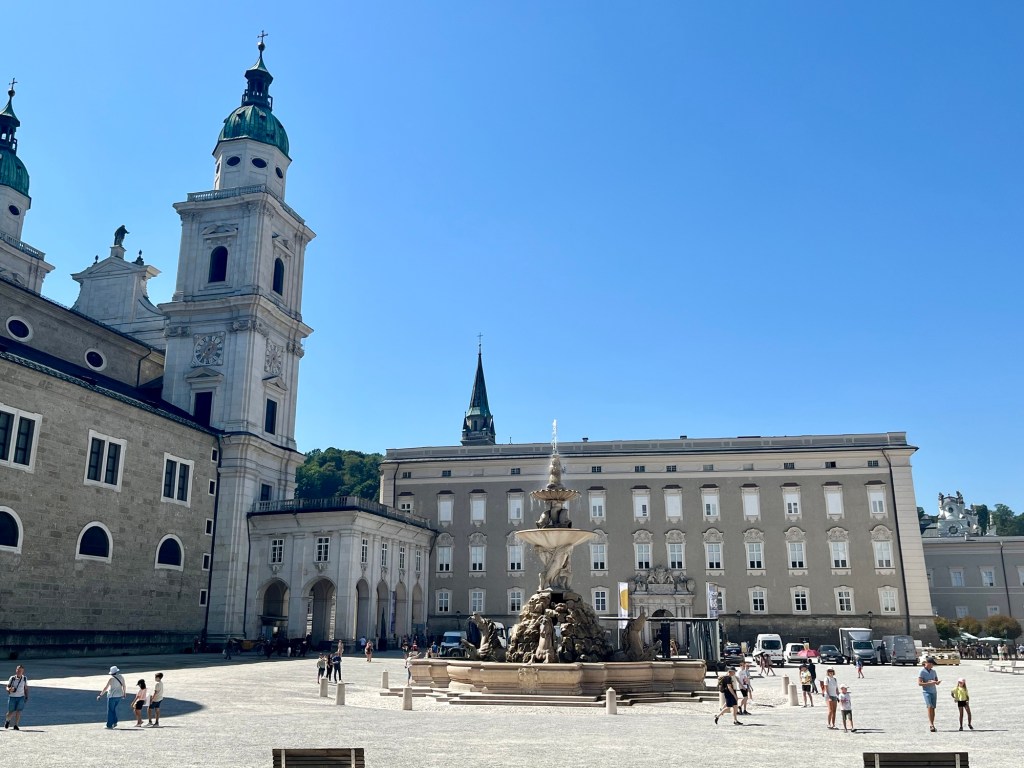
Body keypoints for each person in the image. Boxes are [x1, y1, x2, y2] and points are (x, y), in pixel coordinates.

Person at [918, 656, 942, 732]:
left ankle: (933, 724)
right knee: (929, 706)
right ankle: (931, 725)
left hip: (934, 691)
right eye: (932, 664)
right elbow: (919, 683)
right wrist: (928, 683)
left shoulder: (933, 671)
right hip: (926, 692)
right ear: (928, 663)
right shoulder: (922, 671)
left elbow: (936, 680)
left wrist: (937, 682)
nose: (932, 666)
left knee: (933, 708)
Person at [4, 664, 28, 730]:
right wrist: (8, 689)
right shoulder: (12, 678)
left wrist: (26, 696)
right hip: (12, 697)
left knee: (18, 711)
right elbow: (7, 686)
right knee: (10, 712)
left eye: (21, 670)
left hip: (21, 697)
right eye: (18, 670)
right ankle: (7, 721)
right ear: (16, 670)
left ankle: (16, 725)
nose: (19, 671)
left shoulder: (24, 678)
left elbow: (26, 688)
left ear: (23, 671)